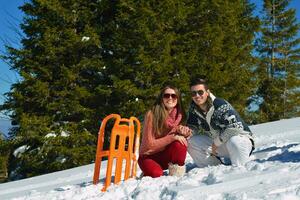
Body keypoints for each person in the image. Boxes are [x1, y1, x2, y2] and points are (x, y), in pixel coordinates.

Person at [187, 77, 255, 167]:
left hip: (240, 140)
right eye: (193, 93)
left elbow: (235, 127)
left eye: (200, 92)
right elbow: (193, 127)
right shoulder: (193, 109)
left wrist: (217, 142)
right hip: (219, 145)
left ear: (207, 92)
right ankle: (213, 168)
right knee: (191, 142)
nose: (197, 95)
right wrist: (186, 131)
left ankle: (240, 170)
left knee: (234, 141)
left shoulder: (220, 104)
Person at [138, 85, 192, 178]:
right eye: (167, 95)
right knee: (156, 174)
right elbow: (149, 144)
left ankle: (176, 174)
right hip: (149, 156)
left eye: (173, 96)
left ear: (178, 98)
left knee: (180, 143)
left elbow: (180, 134)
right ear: (162, 98)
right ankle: (147, 171)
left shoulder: (180, 115)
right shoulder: (152, 114)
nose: (170, 98)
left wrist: (185, 133)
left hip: (166, 156)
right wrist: (173, 137)